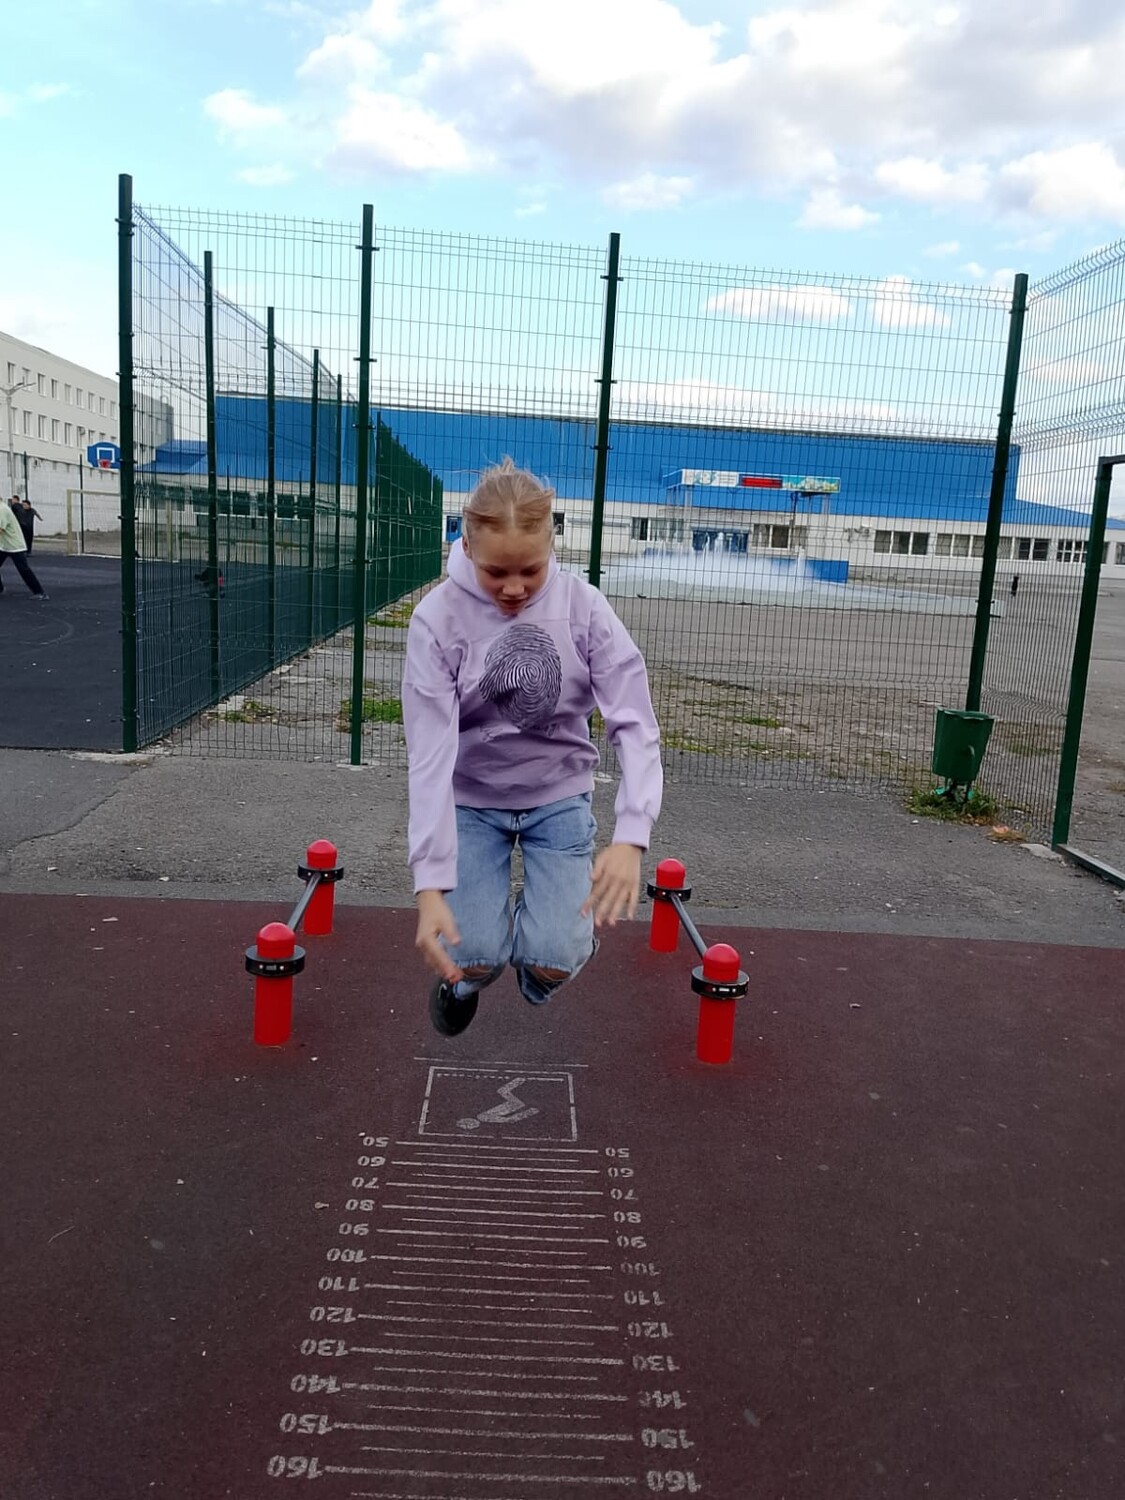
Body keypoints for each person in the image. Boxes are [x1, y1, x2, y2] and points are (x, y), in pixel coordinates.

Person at [402, 457, 662, 1036]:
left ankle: (550, 951)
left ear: (552, 548)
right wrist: (430, 884)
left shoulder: (583, 609)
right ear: (466, 546)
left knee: (552, 956)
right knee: (472, 954)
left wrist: (631, 836)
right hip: (471, 802)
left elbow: (635, 722)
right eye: (496, 572)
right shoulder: (437, 621)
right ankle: (467, 980)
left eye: (531, 571)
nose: (515, 588)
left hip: (557, 797)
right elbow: (429, 756)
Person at [0, 495, 48, 599]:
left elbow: (0, 529)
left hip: (15, 546)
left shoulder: (2, 510)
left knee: (23, 569)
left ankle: (40, 593)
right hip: (4, 545)